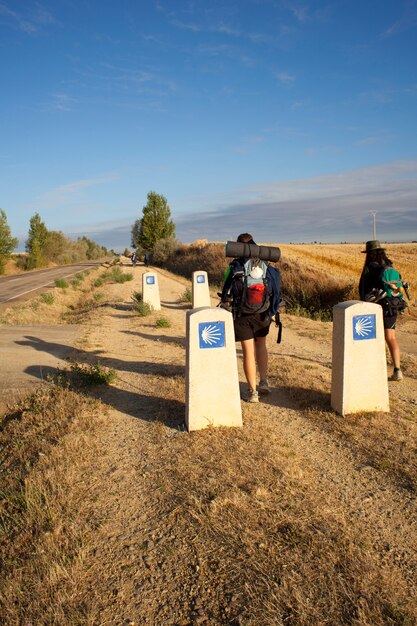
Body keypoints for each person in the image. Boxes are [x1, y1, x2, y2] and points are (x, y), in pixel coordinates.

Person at [221, 233, 281, 403]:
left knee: (248, 351)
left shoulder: (235, 266)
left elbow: (226, 291)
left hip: (242, 315)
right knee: (261, 345)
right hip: (263, 313)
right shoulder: (267, 267)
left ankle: (252, 392)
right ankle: (264, 381)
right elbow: (276, 291)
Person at [359, 240, 403, 381]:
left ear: (368, 254)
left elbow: (363, 288)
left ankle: (374, 368)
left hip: (375, 307)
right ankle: (397, 370)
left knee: (372, 337)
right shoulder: (388, 265)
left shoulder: (369, 268)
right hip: (393, 305)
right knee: (391, 338)